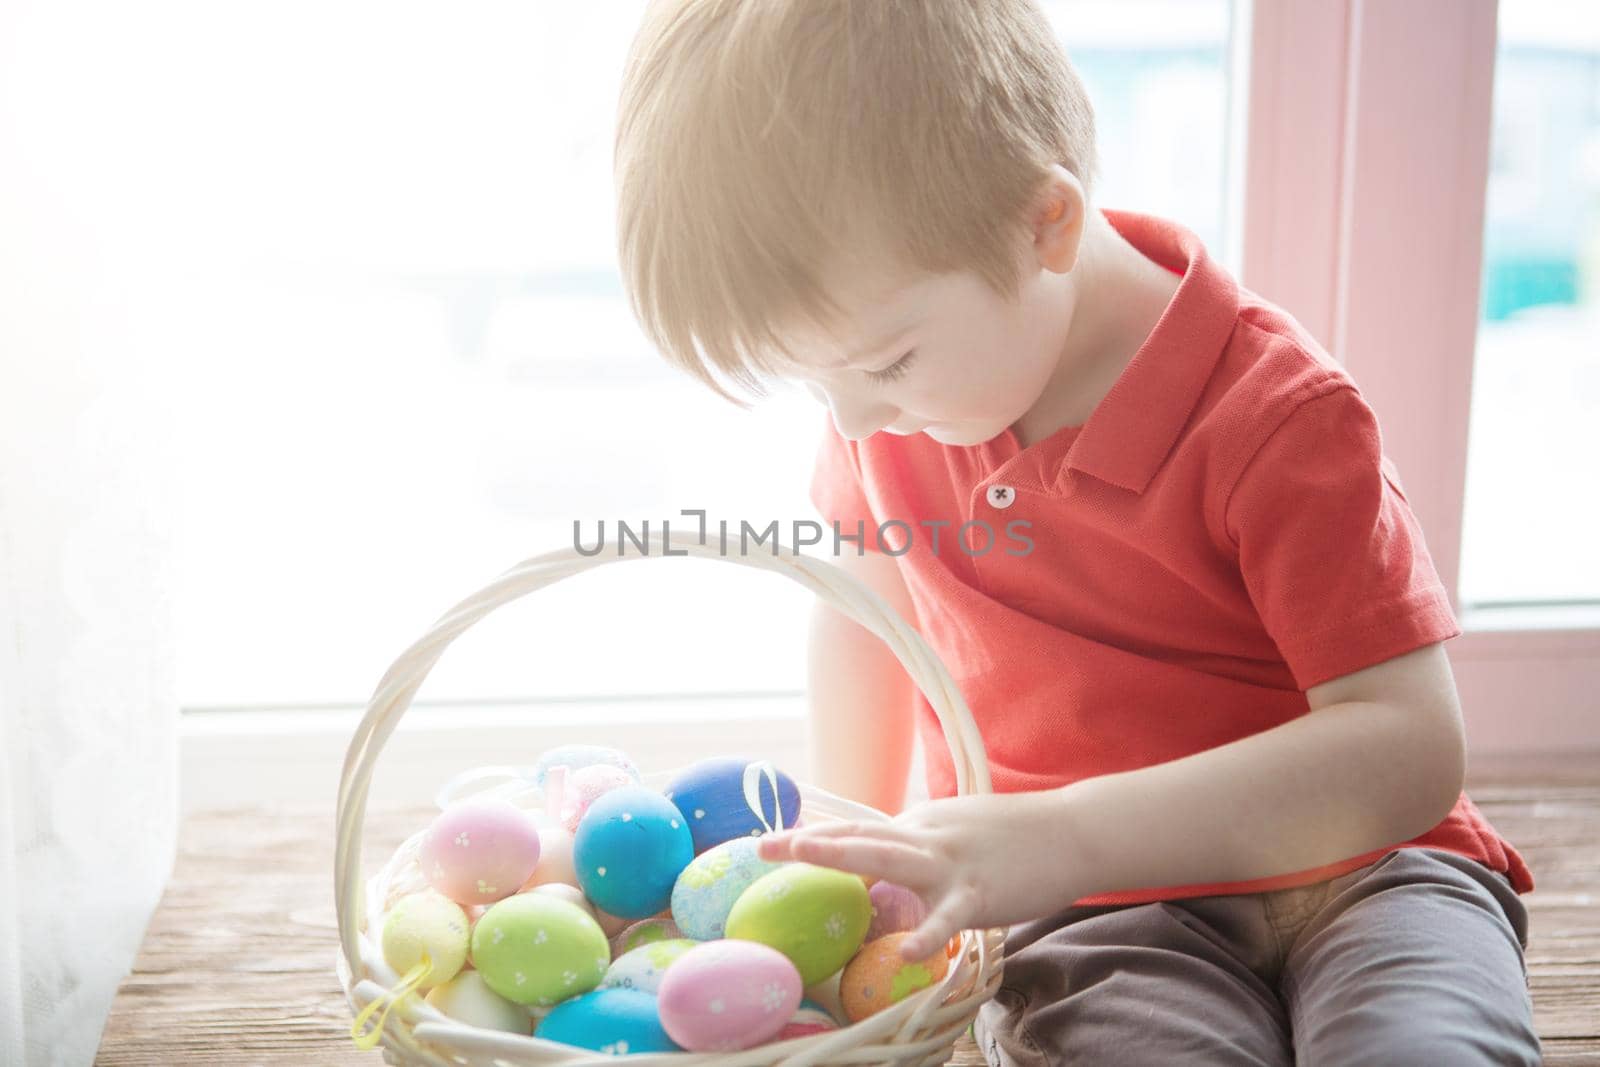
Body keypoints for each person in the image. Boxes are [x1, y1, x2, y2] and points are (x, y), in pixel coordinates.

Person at [612, 1, 1540, 1062]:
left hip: (1371, 866)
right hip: (1099, 912)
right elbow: (869, 623)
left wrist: (1056, 837)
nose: (854, 420)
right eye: (812, 382)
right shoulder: (895, 418)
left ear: (1043, 222)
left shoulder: (1277, 416)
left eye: (882, 363)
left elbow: (1408, 747)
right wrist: (850, 863)